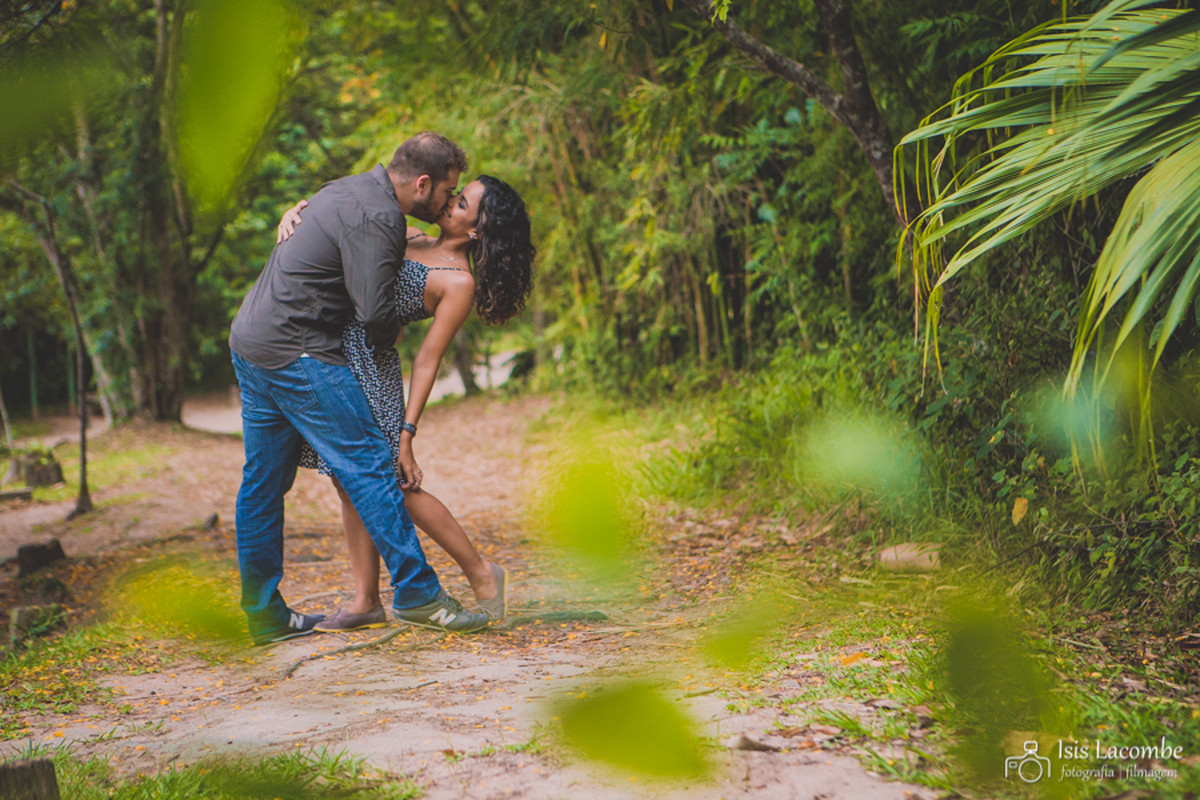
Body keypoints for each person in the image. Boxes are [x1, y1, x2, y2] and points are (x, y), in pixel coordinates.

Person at [229, 131, 492, 645]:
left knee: (262, 484)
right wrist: (392, 325)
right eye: (446, 193)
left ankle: (263, 615)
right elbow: (374, 315)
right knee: (370, 464)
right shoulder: (383, 218)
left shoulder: (342, 188)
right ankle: (419, 595)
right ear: (422, 183)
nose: (444, 204)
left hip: (251, 340)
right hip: (298, 350)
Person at [278, 174, 535, 632]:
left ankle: (481, 573)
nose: (448, 203)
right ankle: (365, 599)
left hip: (373, 373)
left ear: (477, 230)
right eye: (454, 196)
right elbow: (342, 224)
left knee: (393, 485)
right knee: (347, 483)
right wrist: (297, 211)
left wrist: (407, 435)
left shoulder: (458, 282)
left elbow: (427, 361)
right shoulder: (406, 234)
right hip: (335, 356)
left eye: (461, 204)